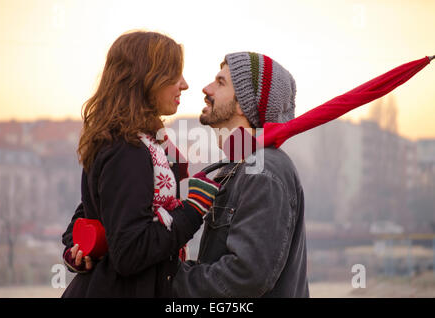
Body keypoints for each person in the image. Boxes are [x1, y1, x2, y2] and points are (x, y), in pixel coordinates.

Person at [60, 30, 220, 298]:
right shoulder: (126, 148)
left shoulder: (138, 141)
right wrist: (192, 209)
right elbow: (129, 253)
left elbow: (92, 214)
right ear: (146, 79)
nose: (184, 84)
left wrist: (78, 246)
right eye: (174, 75)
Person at [172, 52, 309, 297]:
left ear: (243, 105)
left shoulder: (263, 171)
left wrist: (167, 280)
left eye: (220, 82)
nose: (206, 89)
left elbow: (244, 277)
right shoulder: (238, 165)